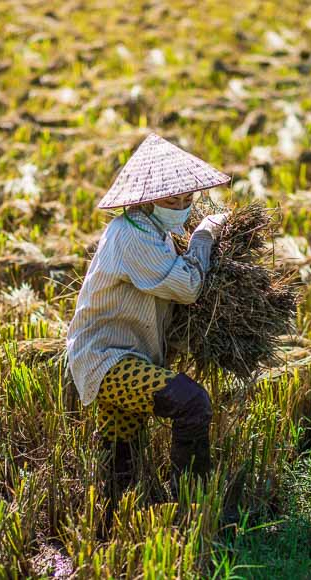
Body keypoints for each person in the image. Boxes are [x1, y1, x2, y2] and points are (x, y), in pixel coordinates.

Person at [65, 133, 231, 527]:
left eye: (186, 199)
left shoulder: (154, 232)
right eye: (171, 200)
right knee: (192, 403)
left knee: (122, 456)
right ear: (144, 200)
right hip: (107, 359)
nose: (182, 207)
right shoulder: (132, 237)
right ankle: (190, 508)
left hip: (130, 355)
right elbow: (189, 286)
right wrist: (204, 235)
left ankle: (110, 525)